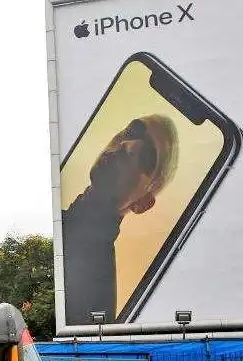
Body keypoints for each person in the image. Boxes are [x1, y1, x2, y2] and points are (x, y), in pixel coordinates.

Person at [61, 114, 179, 324]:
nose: (128, 145)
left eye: (147, 158)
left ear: (143, 204)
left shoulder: (96, 292)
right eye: (132, 131)